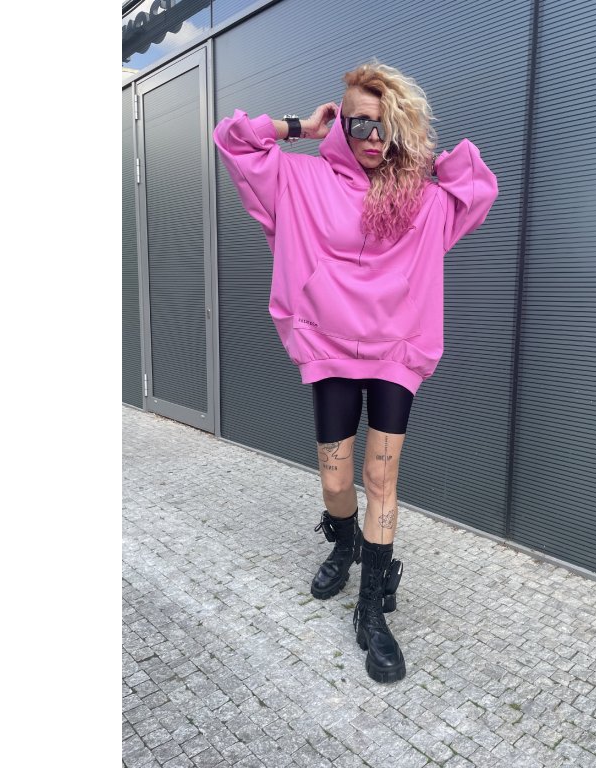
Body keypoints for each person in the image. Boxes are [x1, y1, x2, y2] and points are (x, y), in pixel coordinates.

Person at [213, 59, 498, 684]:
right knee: (336, 478)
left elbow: (477, 184)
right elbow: (234, 140)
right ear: (339, 123)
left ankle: (372, 609)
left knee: (381, 475)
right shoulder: (301, 180)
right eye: (359, 123)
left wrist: (416, 150)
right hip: (330, 345)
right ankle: (343, 541)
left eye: (384, 124)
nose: (372, 137)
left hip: (396, 350)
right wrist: (298, 127)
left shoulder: (422, 198)